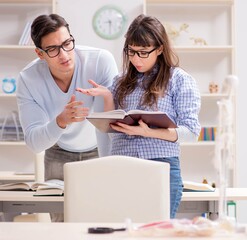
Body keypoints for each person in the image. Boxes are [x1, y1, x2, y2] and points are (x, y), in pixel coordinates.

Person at [76, 14, 201, 219]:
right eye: (131, 52)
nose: (136, 59)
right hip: (121, 167)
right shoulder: (119, 82)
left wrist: (148, 131)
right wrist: (107, 96)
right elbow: (111, 130)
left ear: (159, 49)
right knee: (123, 232)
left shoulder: (179, 80)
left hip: (161, 167)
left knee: (157, 233)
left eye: (143, 53)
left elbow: (191, 132)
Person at [16, 14, 118, 220]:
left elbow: (114, 120)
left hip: (100, 150)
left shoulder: (100, 61)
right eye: (53, 49)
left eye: (67, 43)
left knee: (102, 218)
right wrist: (61, 121)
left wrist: (110, 164)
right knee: (61, 223)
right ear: (40, 53)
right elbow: (34, 143)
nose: (64, 55)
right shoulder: (28, 79)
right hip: (58, 153)